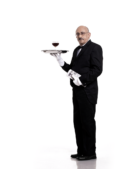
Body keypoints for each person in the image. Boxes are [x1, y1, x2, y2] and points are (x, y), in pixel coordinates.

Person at [51, 26, 103, 161]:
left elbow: (97, 70)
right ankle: (82, 151)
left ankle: (90, 152)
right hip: (77, 91)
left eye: (82, 33)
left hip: (88, 91)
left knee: (87, 122)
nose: (80, 36)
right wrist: (60, 60)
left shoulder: (95, 48)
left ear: (89, 34)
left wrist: (82, 80)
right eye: (77, 34)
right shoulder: (76, 50)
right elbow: (72, 70)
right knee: (78, 122)